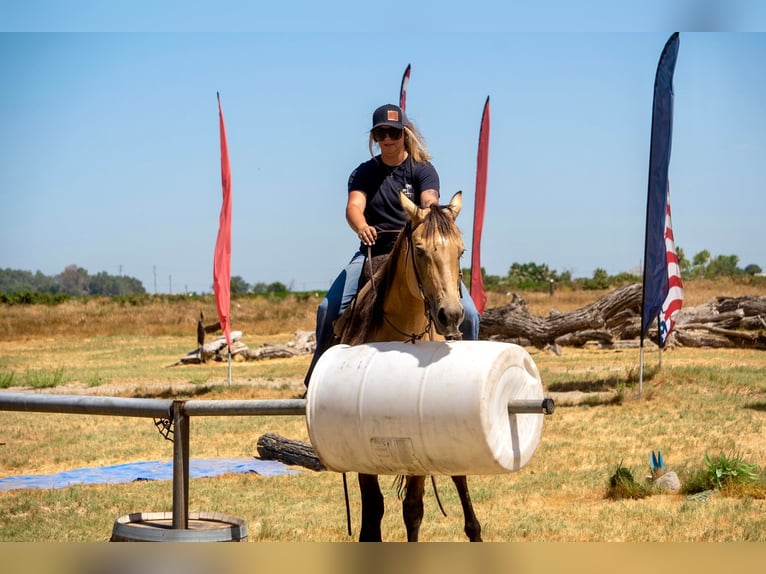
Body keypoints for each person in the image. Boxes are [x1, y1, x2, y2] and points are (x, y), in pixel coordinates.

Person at [304, 103, 480, 387]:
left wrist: (428, 214)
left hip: (417, 250)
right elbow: (354, 206)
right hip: (375, 248)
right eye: (381, 133)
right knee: (328, 308)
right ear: (374, 138)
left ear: (404, 134)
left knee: (469, 314)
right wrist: (361, 226)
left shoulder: (422, 170)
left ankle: (472, 377)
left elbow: (429, 199)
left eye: (393, 133)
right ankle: (316, 377)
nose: (387, 139)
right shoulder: (363, 173)